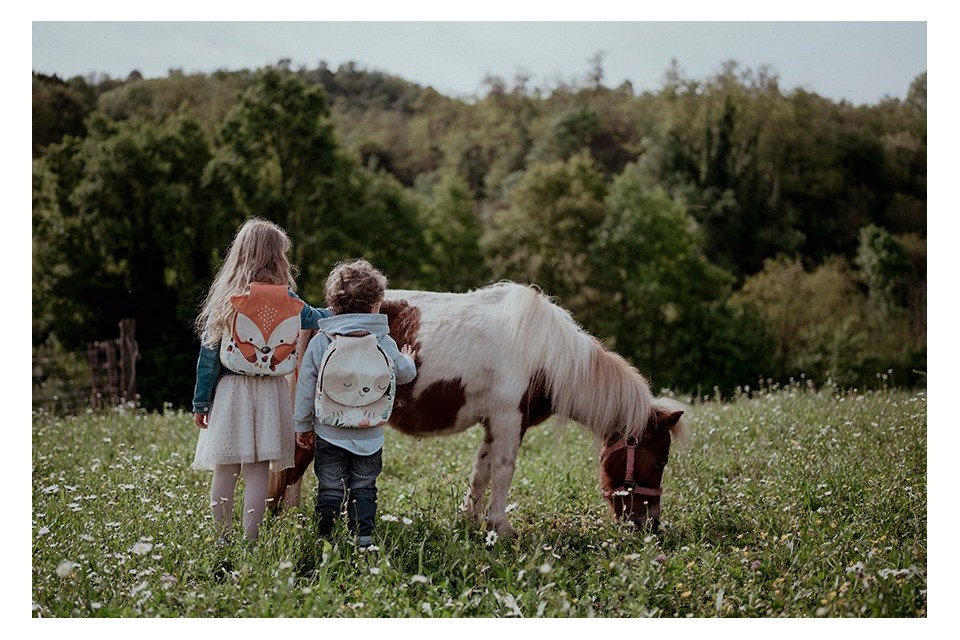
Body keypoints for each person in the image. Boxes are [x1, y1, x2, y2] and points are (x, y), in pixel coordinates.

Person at [191, 217, 331, 542]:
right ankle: (250, 542)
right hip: (270, 392)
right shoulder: (290, 302)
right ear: (278, 257)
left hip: (230, 392)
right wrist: (352, 309)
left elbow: (209, 358)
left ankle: (223, 540)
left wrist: (201, 401)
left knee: (224, 469)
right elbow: (320, 318)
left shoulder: (226, 300)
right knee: (257, 472)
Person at [294, 259, 417, 548]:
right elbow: (404, 374)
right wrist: (409, 358)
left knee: (330, 486)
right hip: (369, 433)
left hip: (329, 430)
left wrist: (302, 424)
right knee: (364, 486)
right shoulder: (382, 341)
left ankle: (325, 534)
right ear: (376, 305)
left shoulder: (323, 340)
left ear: (334, 304)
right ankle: (363, 536)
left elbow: (305, 386)